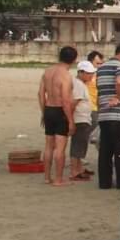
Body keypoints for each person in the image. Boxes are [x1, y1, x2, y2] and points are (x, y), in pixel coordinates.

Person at [96, 43, 120, 190]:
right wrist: (117, 96)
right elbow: (119, 81)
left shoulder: (101, 68)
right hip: (118, 115)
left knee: (105, 150)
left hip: (104, 114)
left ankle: (104, 182)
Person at [38, 45, 77, 186]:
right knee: (60, 147)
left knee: (49, 145)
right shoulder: (66, 76)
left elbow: (41, 94)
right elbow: (66, 100)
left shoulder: (47, 71)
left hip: (49, 108)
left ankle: (47, 177)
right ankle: (58, 179)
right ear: (74, 60)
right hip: (60, 111)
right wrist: (71, 120)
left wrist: (44, 112)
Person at [69, 61, 96, 181]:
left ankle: (79, 169)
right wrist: (70, 120)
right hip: (79, 118)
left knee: (81, 144)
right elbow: (73, 103)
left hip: (83, 118)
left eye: (92, 73)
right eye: (88, 73)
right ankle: (75, 171)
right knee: (78, 145)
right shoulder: (78, 85)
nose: (91, 76)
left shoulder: (81, 84)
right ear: (80, 72)